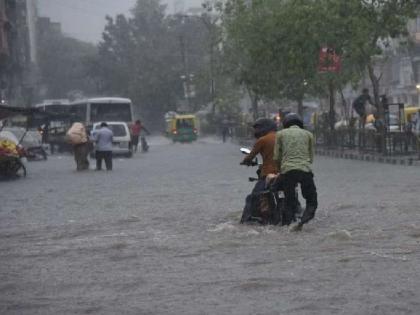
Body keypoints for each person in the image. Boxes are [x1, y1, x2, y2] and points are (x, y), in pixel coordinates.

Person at [273, 113, 317, 231]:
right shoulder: (309, 134)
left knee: (289, 201)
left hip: (287, 171)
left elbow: (277, 157)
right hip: (305, 170)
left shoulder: (280, 134)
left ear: (285, 124)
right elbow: (311, 157)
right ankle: (303, 221)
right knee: (311, 200)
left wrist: (280, 170)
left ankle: (287, 225)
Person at [240, 118, 279, 224]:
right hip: (284, 173)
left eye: (257, 128)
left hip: (267, 174)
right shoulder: (283, 138)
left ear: (264, 128)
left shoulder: (263, 140)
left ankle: (246, 220)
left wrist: (245, 161)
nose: (256, 131)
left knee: (252, 197)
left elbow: (250, 156)